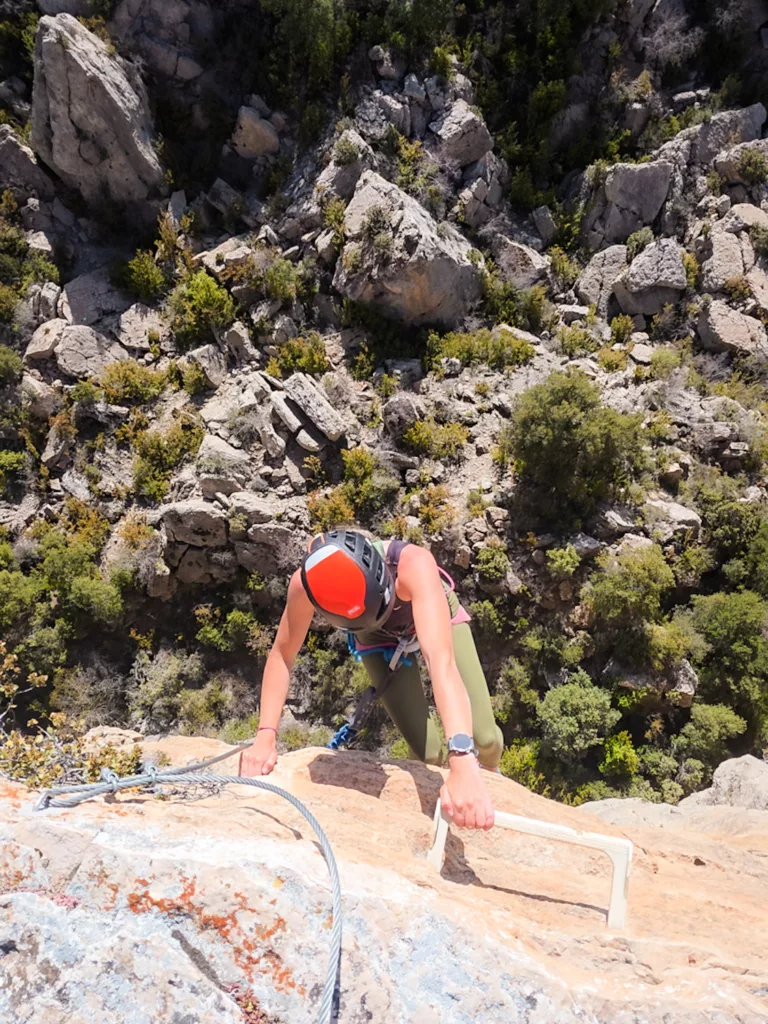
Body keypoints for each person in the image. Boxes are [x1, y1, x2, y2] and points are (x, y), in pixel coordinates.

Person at [239, 529, 501, 830]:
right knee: (429, 753)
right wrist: (265, 737)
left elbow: (440, 663)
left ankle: (491, 775)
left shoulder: (413, 565)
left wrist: (463, 760)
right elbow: (283, 655)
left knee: (485, 739)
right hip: (375, 635)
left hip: (430, 612)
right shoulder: (306, 584)